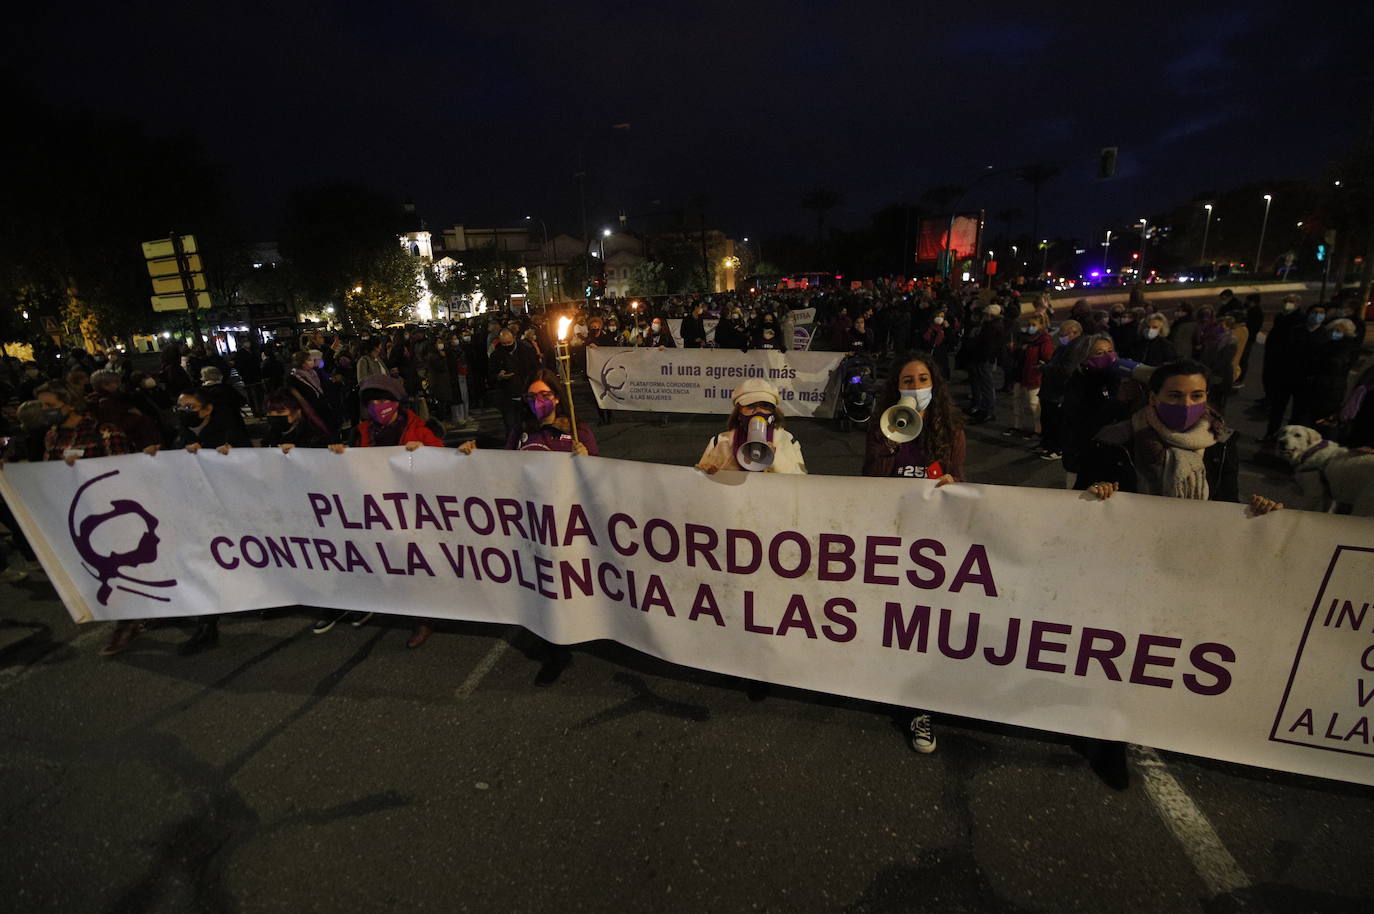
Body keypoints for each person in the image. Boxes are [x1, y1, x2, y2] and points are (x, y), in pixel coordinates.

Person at [1077, 358, 1282, 788]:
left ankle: (1143, 724)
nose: (1187, 404)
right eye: (1175, 395)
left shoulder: (1222, 441)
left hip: (1187, 562)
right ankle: (1106, 739)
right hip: (1126, 564)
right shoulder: (1116, 438)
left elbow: (1227, 500)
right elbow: (1084, 491)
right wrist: (1099, 492)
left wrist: (1260, 512)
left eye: (1197, 395)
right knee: (1116, 651)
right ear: (1154, 397)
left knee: (1160, 651)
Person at [458, 370, 596, 683]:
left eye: (545, 395)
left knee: (561, 586)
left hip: (563, 524)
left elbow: (599, 477)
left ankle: (560, 651)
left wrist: (588, 458)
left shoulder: (577, 431)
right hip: (529, 523)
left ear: (558, 398)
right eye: (533, 397)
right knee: (537, 585)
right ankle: (548, 637)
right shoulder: (522, 432)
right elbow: (505, 466)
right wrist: (474, 451)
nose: (539, 402)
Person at [863, 352, 966, 754]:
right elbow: (870, 481)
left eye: (923, 378)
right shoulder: (882, 425)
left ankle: (919, 706)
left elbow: (957, 479)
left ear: (934, 384)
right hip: (892, 535)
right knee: (890, 619)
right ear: (897, 388)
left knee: (921, 625)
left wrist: (949, 479)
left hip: (932, 544)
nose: (916, 386)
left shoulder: (950, 427)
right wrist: (889, 442)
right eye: (908, 381)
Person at [319, 374, 445, 647]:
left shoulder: (418, 427)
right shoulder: (362, 431)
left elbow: (443, 458)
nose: (378, 405)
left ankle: (422, 620)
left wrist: (425, 452)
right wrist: (339, 454)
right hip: (375, 508)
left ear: (397, 401)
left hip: (411, 509)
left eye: (384, 399)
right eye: (372, 401)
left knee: (413, 566)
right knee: (381, 560)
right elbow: (351, 464)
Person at [31, 383, 136, 654]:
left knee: (118, 572)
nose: (45, 411)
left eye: (50, 405)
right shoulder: (53, 436)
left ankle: (127, 622)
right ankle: (128, 619)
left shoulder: (103, 431)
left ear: (70, 404)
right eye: (43, 406)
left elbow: (122, 470)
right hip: (75, 516)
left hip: (107, 514)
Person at [694, 378, 806, 474]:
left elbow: (801, 481)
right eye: (751, 406)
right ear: (738, 413)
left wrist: (774, 459)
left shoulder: (788, 439)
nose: (759, 411)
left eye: (765, 406)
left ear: (773, 413)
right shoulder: (719, 441)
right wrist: (708, 471)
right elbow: (702, 477)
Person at [1006, 312, 1054, 440]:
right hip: (1020, 374)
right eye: (1029, 324)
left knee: (1034, 404)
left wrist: (1038, 367)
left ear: (1041, 325)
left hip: (1033, 375)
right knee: (1017, 400)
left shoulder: (1044, 340)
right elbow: (1018, 356)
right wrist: (1013, 350)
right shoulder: (1024, 338)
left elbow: (1047, 358)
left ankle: (1039, 430)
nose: (1030, 327)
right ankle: (1018, 426)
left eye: (1034, 324)